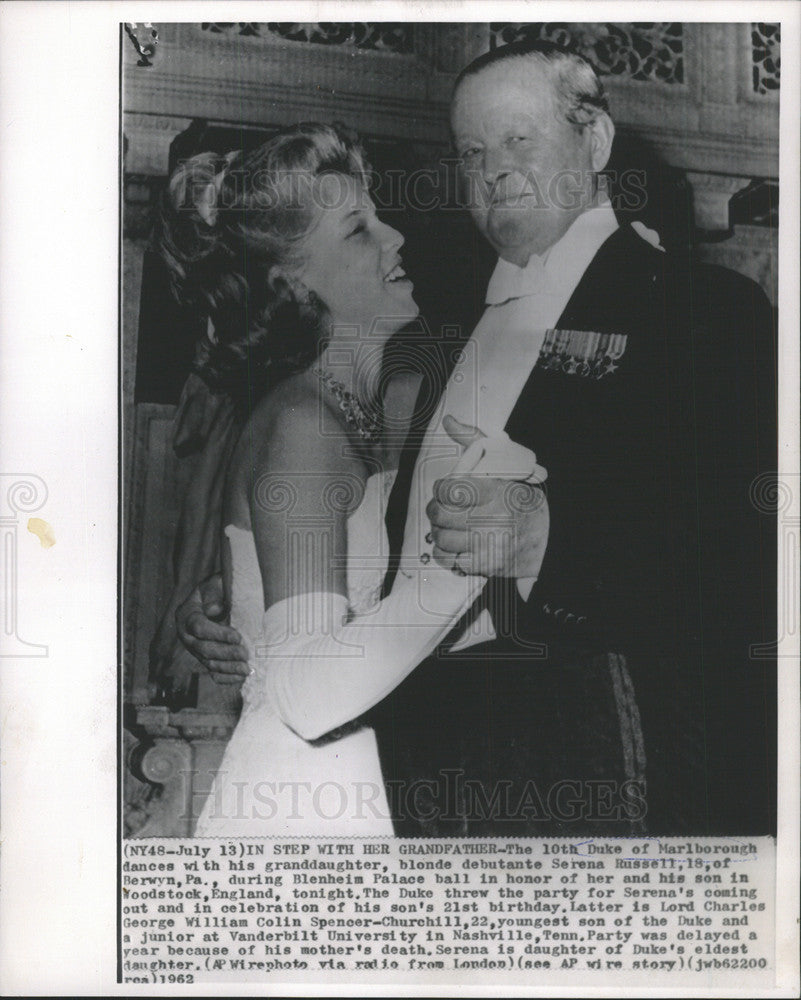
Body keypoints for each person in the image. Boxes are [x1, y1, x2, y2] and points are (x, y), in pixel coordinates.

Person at [180, 41, 776, 837]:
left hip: (604, 776)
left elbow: (751, 550)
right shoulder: (432, 327)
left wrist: (549, 540)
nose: (492, 169)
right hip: (417, 780)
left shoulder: (704, 309)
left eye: (518, 140)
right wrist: (244, 596)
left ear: (593, 143)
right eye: (471, 152)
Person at [157, 122, 549, 835]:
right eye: (358, 230)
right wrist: (465, 563)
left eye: (378, 216)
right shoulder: (304, 425)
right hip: (306, 798)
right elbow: (306, 686)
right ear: (292, 281)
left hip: (381, 780)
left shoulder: (369, 411)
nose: (395, 238)